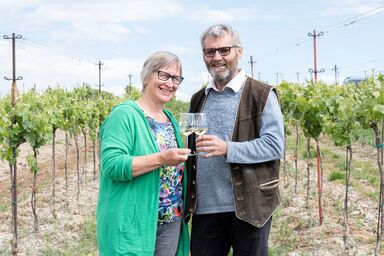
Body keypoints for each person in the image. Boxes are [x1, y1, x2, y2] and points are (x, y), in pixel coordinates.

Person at [185, 24, 284, 255]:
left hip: (250, 208)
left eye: (224, 50)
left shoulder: (262, 94)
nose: (217, 57)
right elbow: (193, 147)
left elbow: (274, 145)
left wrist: (227, 148)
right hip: (205, 210)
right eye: (210, 52)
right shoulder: (198, 98)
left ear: (239, 52)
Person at [97, 51, 191, 256]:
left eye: (176, 78)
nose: (170, 83)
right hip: (134, 221)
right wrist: (161, 159)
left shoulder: (170, 119)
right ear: (147, 76)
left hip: (170, 220)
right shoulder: (124, 115)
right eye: (164, 75)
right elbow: (112, 165)